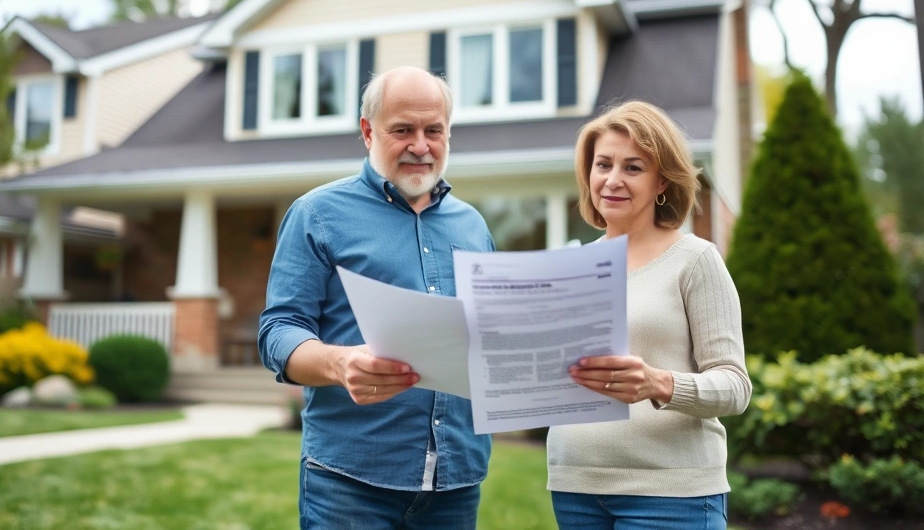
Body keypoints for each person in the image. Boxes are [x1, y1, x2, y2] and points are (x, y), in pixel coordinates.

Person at [258, 66, 494, 529]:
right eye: (403, 130)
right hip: (350, 483)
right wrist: (339, 364)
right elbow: (278, 332)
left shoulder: (473, 225)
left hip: (456, 482)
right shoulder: (317, 214)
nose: (421, 146)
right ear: (368, 131)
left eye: (434, 130)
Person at [546, 101, 752, 529]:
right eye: (603, 164)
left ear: (662, 180)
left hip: (669, 495)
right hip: (574, 486)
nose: (613, 180)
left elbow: (735, 387)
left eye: (633, 167)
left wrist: (659, 382)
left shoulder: (695, 260)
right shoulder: (572, 267)